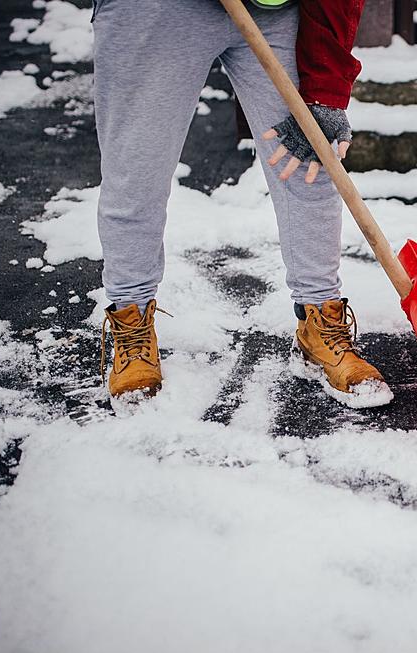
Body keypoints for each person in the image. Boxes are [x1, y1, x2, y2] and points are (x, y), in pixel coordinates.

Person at [93, 0, 392, 407]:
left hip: (272, 11)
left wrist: (326, 93)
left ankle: (319, 322)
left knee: (308, 158)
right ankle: (131, 321)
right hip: (155, 10)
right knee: (137, 169)